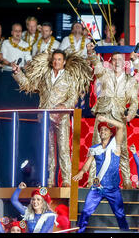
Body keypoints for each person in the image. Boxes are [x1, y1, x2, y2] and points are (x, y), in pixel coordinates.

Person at [12, 49, 92, 187]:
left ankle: (66, 180)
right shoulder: (45, 76)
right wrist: (18, 73)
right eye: (54, 59)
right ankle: (50, 180)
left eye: (59, 59)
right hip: (45, 117)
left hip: (62, 117)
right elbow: (28, 85)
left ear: (64, 61)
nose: (56, 62)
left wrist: (63, 106)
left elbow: (73, 97)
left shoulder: (69, 77)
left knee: (63, 150)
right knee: (48, 151)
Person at [86, 43, 139, 189]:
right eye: (114, 60)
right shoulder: (105, 74)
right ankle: (92, 181)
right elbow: (96, 64)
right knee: (96, 148)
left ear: (125, 63)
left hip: (119, 117)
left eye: (120, 60)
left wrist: (130, 115)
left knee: (121, 149)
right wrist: (91, 53)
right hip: (103, 113)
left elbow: (135, 100)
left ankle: (127, 181)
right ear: (110, 62)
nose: (117, 62)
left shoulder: (130, 80)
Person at [73, 115, 129, 233]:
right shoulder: (95, 148)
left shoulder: (115, 145)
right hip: (97, 188)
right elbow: (88, 163)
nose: (103, 131)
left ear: (110, 134)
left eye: (105, 130)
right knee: (85, 212)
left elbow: (121, 126)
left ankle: (126, 233)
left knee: (120, 214)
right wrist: (82, 172)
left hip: (113, 189)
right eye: (101, 130)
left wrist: (106, 120)